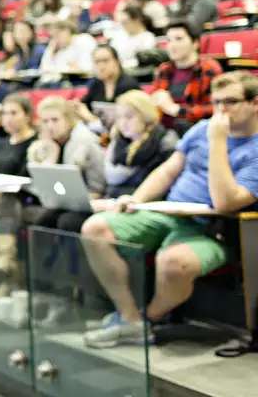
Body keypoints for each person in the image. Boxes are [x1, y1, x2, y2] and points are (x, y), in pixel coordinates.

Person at [81, 72, 258, 348]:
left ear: (255, 103)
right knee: (95, 228)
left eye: (231, 102)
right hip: (168, 212)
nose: (221, 111)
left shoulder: (246, 145)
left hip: (212, 230)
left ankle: (148, 320)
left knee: (173, 263)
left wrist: (219, 142)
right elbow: (167, 172)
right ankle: (129, 319)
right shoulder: (201, 129)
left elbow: (225, 202)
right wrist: (136, 199)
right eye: (216, 102)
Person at [23, 96, 106, 232]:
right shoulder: (44, 145)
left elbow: (98, 188)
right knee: (42, 222)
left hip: (90, 202)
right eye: (45, 121)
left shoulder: (87, 142)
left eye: (55, 120)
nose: (50, 126)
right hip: (61, 203)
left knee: (66, 222)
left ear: (68, 120)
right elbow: (44, 186)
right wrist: (51, 154)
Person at [151, 19, 222, 134]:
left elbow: (216, 108)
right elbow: (154, 101)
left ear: (195, 43)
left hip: (196, 131)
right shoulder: (163, 69)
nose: (172, 45)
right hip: (163, 131)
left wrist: (177, 110)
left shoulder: (209, 69)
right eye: (169, 40)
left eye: (178, 39)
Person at [104, 90, 178, 199]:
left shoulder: (165, 142)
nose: (123, 123)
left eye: (129, 117)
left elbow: (164, 189)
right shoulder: (118, 142)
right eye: (119, 117)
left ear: (145, 116)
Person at [74, 45, 141, 131]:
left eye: (105, 61)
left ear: (117, 61)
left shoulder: (128, 86)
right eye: (97, 62)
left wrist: (90, 118)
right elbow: (83, 104)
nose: (101, 66)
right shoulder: (96, 83)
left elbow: (129, 123)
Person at [37, 20, 97, 85]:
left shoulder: (84, 40)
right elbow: (44, 70)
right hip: (63, 82)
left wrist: (76, 68)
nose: (55, 39)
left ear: (67, 31)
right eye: (53, 36)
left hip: (85, 81)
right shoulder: (60, 49)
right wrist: (51, 51)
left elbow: (88, 69)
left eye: (57, 34)